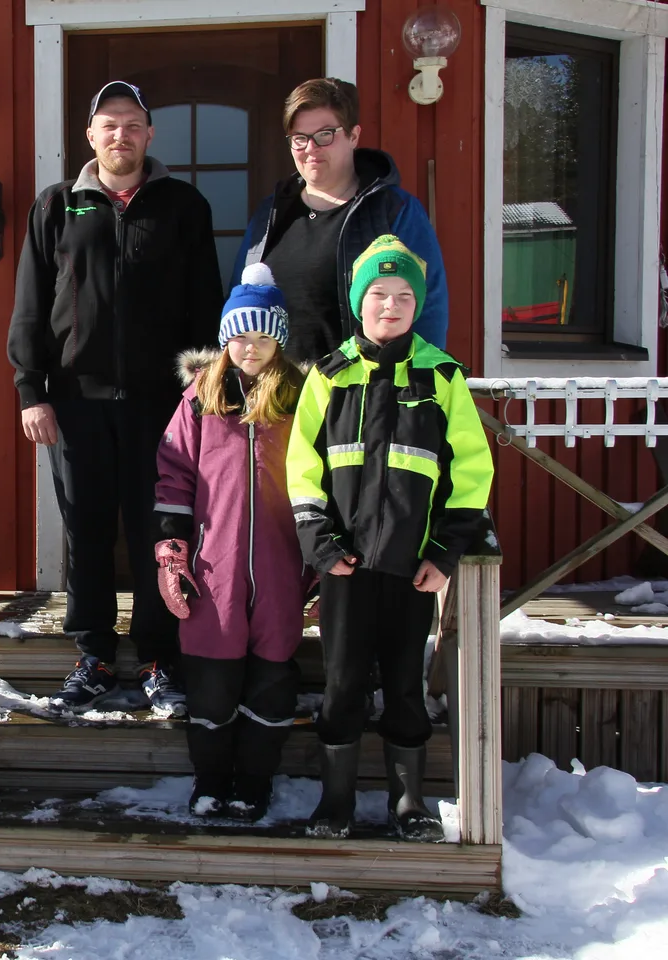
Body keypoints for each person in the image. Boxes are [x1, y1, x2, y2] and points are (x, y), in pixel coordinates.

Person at [7, 80, 224, 714]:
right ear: (89, 136)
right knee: (87, 527)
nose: (120, 135)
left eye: (131, 124)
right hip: (76, 401)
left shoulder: (182, 206)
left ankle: (159, 655)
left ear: (149, 134)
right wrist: (30, 389)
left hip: (162, 405)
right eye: (108, 125)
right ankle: (95, 654)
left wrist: (204, 391)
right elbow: (29, 308)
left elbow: (205, 303)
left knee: (159, 529)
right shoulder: (57, 207)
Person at [286, 235, 493, 841]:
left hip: (412, 568)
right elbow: (302, 466)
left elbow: (471, 472)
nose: (391, 305)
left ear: (416, 304)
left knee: (405, 685)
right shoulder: (329, 376)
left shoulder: (442, 376)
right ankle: (336, 802)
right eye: (378, 293)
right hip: (345, 566)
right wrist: (320, 544)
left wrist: (443, 552)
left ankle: (409, 805)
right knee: (343, 683)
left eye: (404, 295)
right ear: (359, 302)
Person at [154, 264, 310, 822]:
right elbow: (174, 475)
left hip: (279, 567)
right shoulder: (200, 398)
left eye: (263, 336)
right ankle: (210, 781)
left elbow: (320, 477)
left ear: (278, 341)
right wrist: (171, 552)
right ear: (226, 339)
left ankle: (255, 782)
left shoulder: (300, 397)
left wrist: (316, 554)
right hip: (211, 568)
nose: (251, 347)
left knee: (270, 680)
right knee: (213, 685)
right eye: (241, 335)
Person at [232, 78, 448, 365]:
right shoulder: (271, 213)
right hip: (276, 398)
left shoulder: (393, 210)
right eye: (300, 138)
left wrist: (414, 384)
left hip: (358, 395)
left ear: (353, 136)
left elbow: (428, 306)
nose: (311, 148)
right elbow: (240, 301)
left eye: (325, 135)